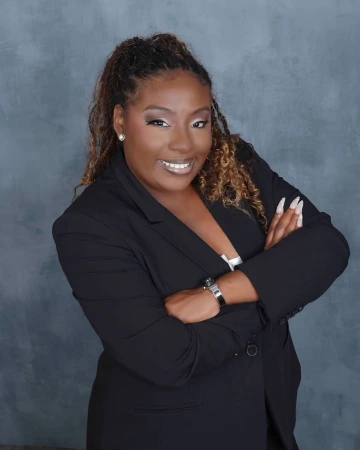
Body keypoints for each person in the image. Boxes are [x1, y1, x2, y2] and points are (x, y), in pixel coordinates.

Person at [52, 32, 350, 450]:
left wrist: (218, 294)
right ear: (121, 121)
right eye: (159, 121)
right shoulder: (90, 227)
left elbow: (328, 244)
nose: (184, 144)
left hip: (269, 417)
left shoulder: (235, 165)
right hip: (169, 435)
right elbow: (170, 358)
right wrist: (273, 278)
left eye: (199, 121)